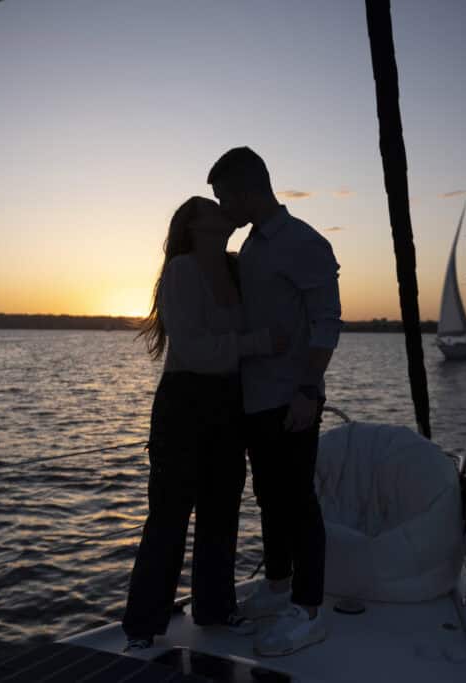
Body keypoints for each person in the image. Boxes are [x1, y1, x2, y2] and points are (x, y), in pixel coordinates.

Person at [121, 196, 283, 651]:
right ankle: (142, 625)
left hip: (229, 402)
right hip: (186, 400)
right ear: (195, 226)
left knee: (222, 511)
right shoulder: (182, 271)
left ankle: (215, 607)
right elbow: (192, 349)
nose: (222, 209)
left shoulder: (235, 268)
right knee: (169, 516)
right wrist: (260, 342)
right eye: (213, 208)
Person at [208, 147, 342, 656]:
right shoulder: (253, 247)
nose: (224, 207)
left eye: (225, 197)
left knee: (298, 502)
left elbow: (327, 321)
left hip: (292, 397)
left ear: (247, 189)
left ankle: (309, 611)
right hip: (255, 398)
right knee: (268, 496)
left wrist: (308, 390)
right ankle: (280, 584)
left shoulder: (304, 243)